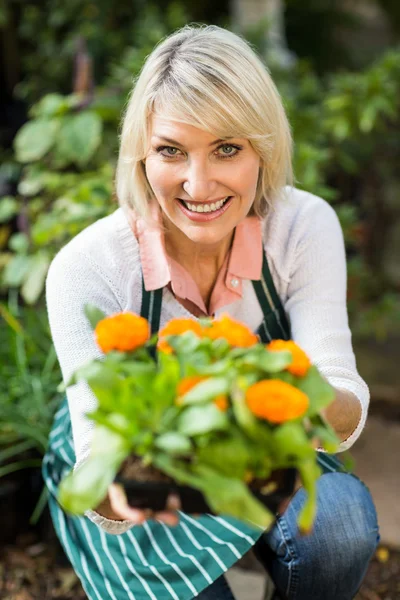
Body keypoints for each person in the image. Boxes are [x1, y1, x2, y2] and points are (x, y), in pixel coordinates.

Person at [42, 24, 379, 600]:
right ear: (141, 157)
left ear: (263, 149)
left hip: (261, 440)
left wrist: (301, 397)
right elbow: (99, 455)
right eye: (171, 150)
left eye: (227, 148)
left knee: (341, 524)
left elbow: (343, 409)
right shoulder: (88, 267)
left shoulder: (302, 226)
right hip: (146, 465)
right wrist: (119, 491)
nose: (199, 185)